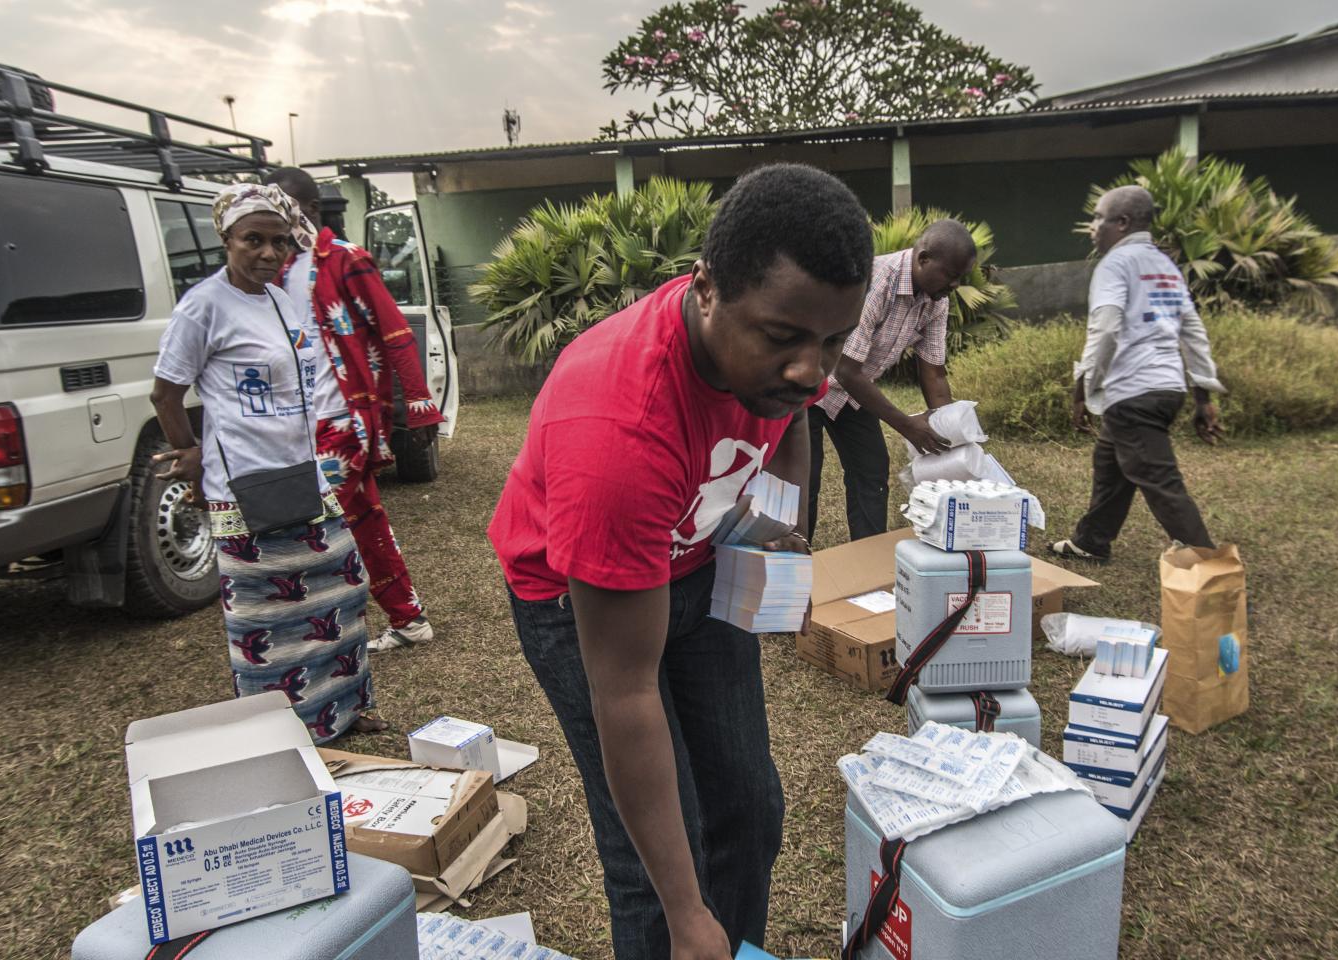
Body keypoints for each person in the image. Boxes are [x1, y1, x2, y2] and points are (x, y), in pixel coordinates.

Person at [487, 163, 874, 960]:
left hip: (698, 559)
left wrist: (775, 521)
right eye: (783, 340)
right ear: (706, 291)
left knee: (749, 807)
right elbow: (625, 694)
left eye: (833, 341)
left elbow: (794, 408)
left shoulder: (773, 350)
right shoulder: (617, 432)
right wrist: (688, 915)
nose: (813, 370)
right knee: (662, 865)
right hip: (579, 597)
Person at [148, 183, 384, 742]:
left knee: (343, 589)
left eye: (279, 243)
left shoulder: (279, 301)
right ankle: (284, 733)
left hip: (303, 474)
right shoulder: (203, 306)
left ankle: (345, 710)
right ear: (226, 239)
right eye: (254, 240)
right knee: (268, 620)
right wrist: (192, 449)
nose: (270, 254)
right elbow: (165, 392)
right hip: (245, 486)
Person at [266, 168, 446, 652]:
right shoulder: (279, 269)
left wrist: (420, 406)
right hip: (296, 422)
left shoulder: (346, 260)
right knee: (362, 520)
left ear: (309, 208)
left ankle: (331, 628)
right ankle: (407, 618)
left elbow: (394, 333)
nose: (279, 219)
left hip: (342, 423)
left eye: (285, 207)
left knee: (324, 529)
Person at [1050, 185, 1227, 564]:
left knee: (1161, 482)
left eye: (1098, 218)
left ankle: (1211, 568)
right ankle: (1091, 541)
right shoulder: (1164, 265)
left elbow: (1107, 328)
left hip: (1134, 393)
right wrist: (1202, 395)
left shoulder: (1115, 264)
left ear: (1123, 222)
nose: (1092, 227)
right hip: (1166, 388)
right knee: (1110, 464)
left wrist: (1083, 386)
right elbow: (1192, 329)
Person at [807, 219, 977, 541]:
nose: (955, 285)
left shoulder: (936, 299)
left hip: (852, 394)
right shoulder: (877, 281)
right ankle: (798, 566)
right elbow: (845, 369)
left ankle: (866, 563)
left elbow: (934, 371)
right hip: (810, 385)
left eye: (961, 278)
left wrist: (952, 432)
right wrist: (907, 425)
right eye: (951, 275)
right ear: (923, 259)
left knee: (871, 471)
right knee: (805, 480)